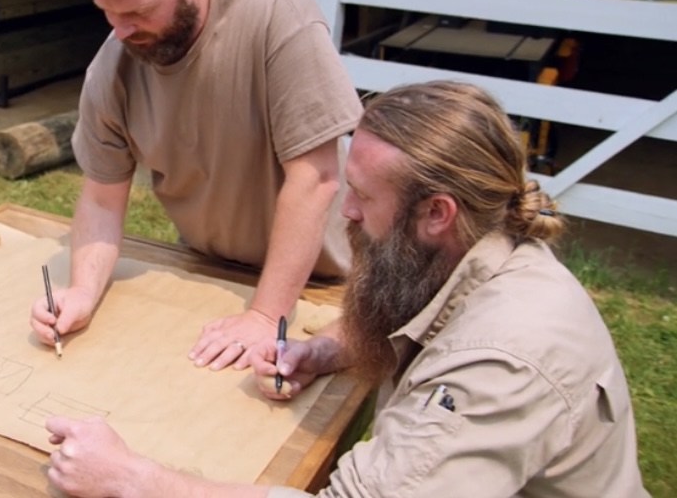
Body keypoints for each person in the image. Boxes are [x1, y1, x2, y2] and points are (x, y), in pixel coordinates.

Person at [44, 81, 648, 498]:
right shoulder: (480, 247)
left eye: (361, 193)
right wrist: (327, 349)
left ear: (436, 212)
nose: (346, 211)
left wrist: (133, 479)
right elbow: (423, 317)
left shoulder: (503, 363)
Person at [30, 0, 363, 372]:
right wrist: (81, 290)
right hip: (208, 268)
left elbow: (314, 179)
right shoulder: (112, 66)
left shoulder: (276, 13)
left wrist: (265, 314)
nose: (120, 31)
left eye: (139, 12)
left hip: (326, 281)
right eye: (107, 12)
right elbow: (102, 198)